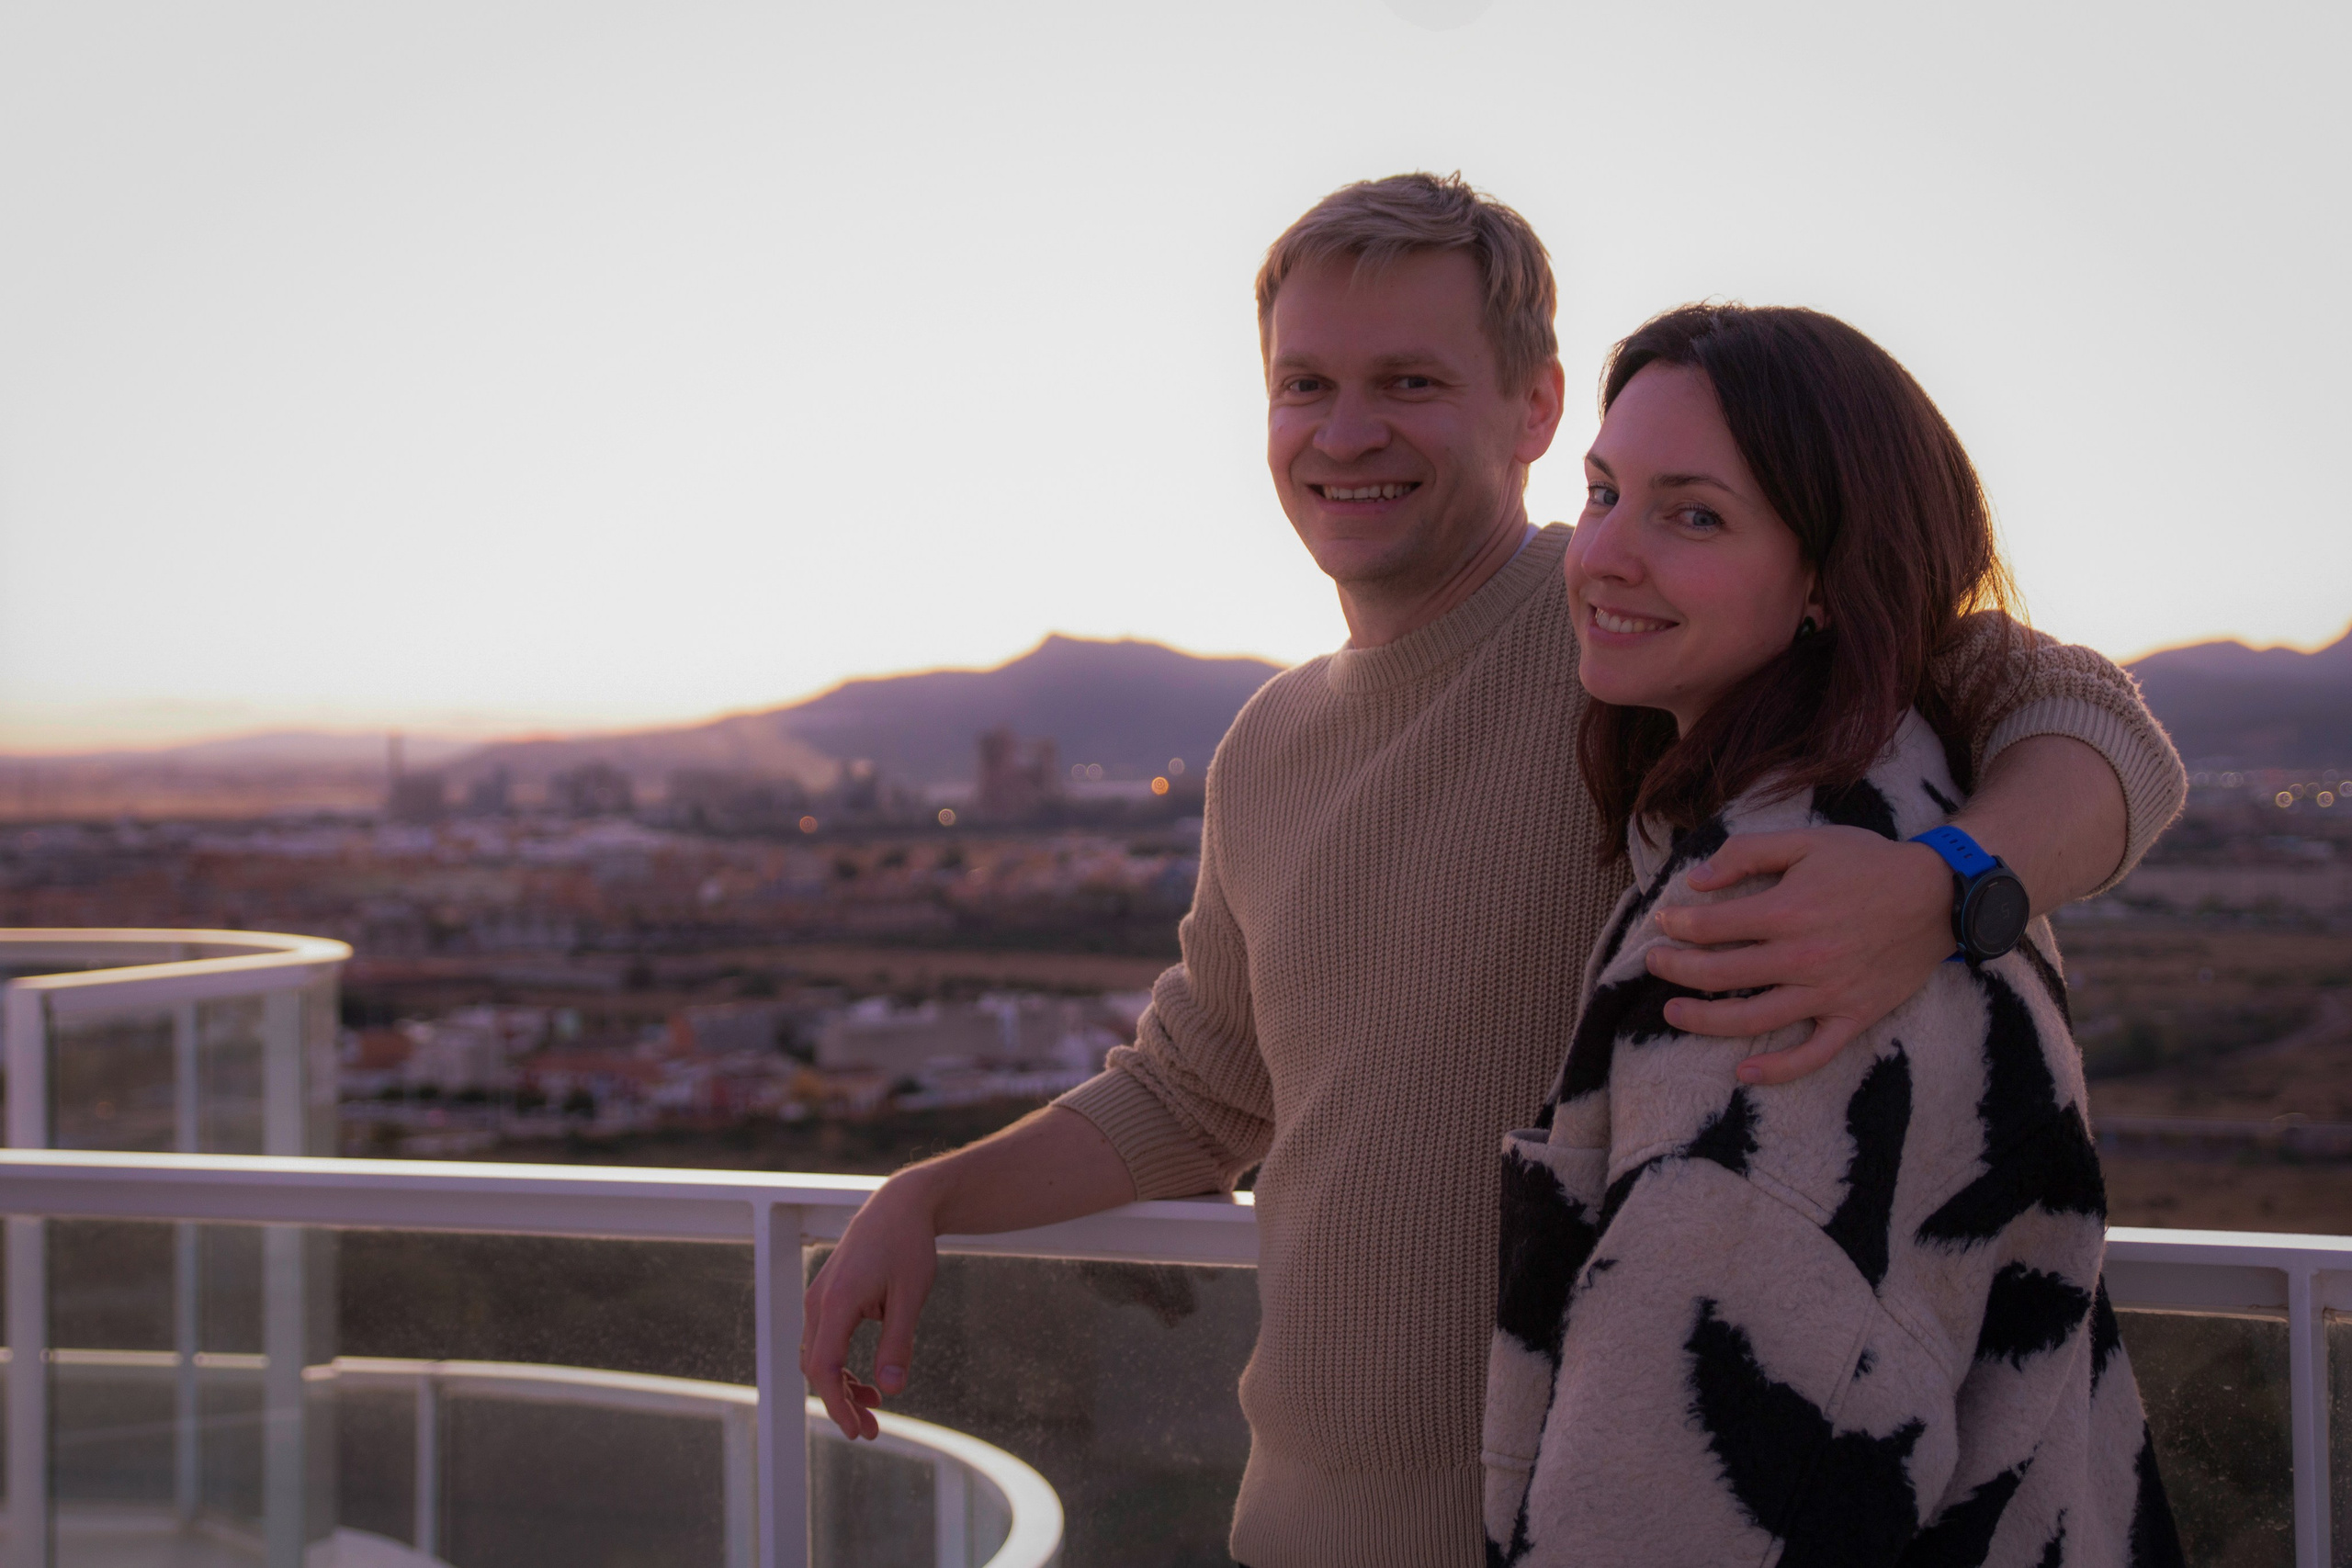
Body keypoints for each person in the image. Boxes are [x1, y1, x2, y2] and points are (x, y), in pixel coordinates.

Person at [802, 173, 2187, 1568]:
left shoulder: (1640, 632)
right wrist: (931, 1196)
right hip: (1301, 1530)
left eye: (1409, 381)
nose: (1346, 433)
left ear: (1534, 408)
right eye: (1304, 385)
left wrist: (1945, 884)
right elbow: (1198, 1089)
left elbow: (2092, 721)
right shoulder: (1271, 743)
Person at [1482, 304, 2182, 1566]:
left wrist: (1943, 882)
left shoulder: (1784, 921)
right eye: (1603, 493)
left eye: (1695, 514)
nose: (1605, 555)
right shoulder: (1896, 797)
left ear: (1828, 581)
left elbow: (1679, 1497)